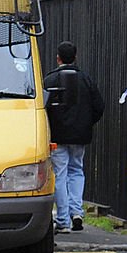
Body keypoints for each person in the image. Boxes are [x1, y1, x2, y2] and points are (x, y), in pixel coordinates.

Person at [44, 41, 105, 233]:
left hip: (57, 136)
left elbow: (42, 108)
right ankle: (77, 212)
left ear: (58, 58)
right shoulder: (86, 79)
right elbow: (99, 106)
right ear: (75, 57)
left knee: (59, 175)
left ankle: (62, 220)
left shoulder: (50, 80)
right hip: (80, 135)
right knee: (77, 171)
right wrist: (86, 123)